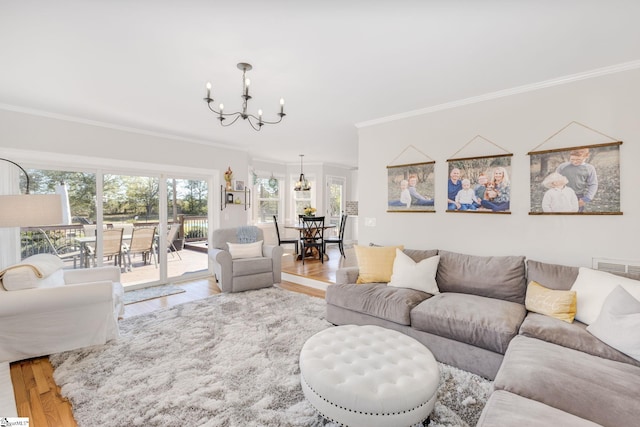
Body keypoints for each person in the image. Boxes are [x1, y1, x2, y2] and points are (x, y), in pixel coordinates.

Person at [555, 148, 598, 212]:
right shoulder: (562, 166)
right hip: (562, 195)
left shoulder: (589, 168)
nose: (575, 161)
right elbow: (554, 180)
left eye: (578, 159)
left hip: (578, 196)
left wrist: (587, 198)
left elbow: (593, 184)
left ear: (586, 156)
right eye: (572, 159)